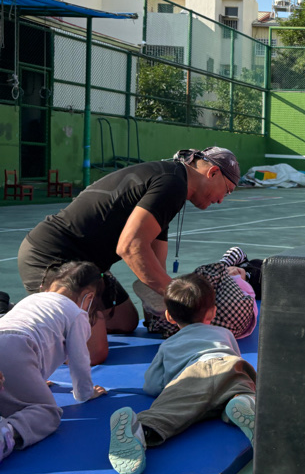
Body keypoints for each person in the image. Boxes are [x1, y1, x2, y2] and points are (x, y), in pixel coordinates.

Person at [17, 146, 240, 364]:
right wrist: (183, 302)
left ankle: (74, 321)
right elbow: (131, 247)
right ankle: (18, 329)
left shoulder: (173, 181)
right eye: (227, 190)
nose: (222, 199)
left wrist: (158, 309)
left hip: (89, 266)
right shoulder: (173, 184)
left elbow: (156, 261)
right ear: (213, 172)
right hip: (54, 256)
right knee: (94, 354)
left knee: (126, 322)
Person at [107, 273, 256, 474]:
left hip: (195, 375)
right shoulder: (225, 333)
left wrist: (170, 387)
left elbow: (152, 385)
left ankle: (141, 428)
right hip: (229, 365)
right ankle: (244, 401)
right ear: (213, 312)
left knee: (171, 412)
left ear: (169, 316)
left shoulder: (169, 345)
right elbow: (235, 356)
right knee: (241, 389)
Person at [0, 262, 106, 463]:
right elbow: (79, 360)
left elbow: (39, 339)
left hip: (7, 339)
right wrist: (85, 393)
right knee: (48, 413)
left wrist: (36, 380)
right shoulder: (76, 313)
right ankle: (7, 434)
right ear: (88, 297)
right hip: (15, 348)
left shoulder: (30, 300)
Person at [134, 246, 258, 340]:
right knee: (185, 312)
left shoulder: (235, 278)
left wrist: (224, 266)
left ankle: (162, 313)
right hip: (233, 326)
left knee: (199, 282)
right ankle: (157, 319)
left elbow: (236, 251)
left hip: (232, 308)